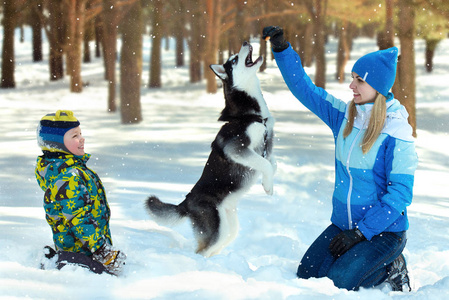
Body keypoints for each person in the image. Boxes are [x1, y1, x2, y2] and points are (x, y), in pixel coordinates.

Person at [263, 26, 418, 291]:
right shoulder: (345, 117)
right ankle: (361, 257)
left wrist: (360, 234)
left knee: (340, 280)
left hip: (385, 231)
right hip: (345, 225)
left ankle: (392, 266)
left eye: (360, 80)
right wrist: (282, 50)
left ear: (377, 87)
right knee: (308, 274)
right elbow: (306, 90)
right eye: (353, 78)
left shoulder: (396, 134)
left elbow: (400, 196)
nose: (351, 85)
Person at [35, 110, 126, 276]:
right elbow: (78, 218)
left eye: (81, 133)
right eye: (74, 136)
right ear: (57, 144)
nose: (81, 139)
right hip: (80, 254)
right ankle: (57, 263)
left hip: (85, 249)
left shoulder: (71, 171)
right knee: (104, 278)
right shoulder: (68, 178)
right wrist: (101, 249)